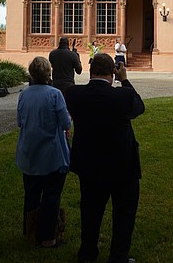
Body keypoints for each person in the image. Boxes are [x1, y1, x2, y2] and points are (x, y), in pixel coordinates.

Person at [65, 53, 145, 263]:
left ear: (91, 71)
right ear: (113, 72)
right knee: (124, 213)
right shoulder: (123, 96)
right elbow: (139, 107)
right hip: (122, 166)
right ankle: (118, 256)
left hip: (90, 164)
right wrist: (125, 80)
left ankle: (88, 253)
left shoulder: (73, 94)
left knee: (90, 211)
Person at [15, 56, 72, 248]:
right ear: (49, 73)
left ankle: (30, 232)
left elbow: (20, 122)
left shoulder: (24, 94)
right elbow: (66, 123)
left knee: (31, 194)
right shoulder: (54, 94)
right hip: (51, 154)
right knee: (51, 196)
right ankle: (48, 237)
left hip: (29, 151)